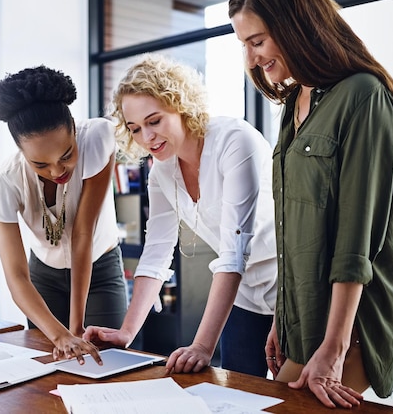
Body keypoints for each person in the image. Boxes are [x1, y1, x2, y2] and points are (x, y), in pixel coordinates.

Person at [229, 0, 393, 408]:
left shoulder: (364, 96)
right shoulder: (294, 104)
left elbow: (356, 241)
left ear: (294, 27)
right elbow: (290, 228)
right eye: (243, 44)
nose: (251, 57)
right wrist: (283, 317)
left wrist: (334, 348)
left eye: (257, 41)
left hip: (352, 326)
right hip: (302, 316)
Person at [83, 53, 278, 378]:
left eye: (154, 121)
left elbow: (234, 252)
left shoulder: (234, 141)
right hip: (244, 298)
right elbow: (156, 252)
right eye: (135, 129)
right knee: (240, 394)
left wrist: (202, 346)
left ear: (182, 104)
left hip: (291, 290)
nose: (146, 138)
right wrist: (126, 333)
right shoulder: (161, 171)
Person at [0, 65, 128, 363]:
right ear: (20, 151)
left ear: (73, 127)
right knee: (53, 366)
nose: (57, 171)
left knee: (109, 364)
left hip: (99, 268)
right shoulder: (3, 183)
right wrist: (60, 335)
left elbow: (82, 233)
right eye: (40, 165)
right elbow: (17, 276)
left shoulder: (96, 139)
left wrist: (75, 328)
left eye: (67, 155)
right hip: (42, 277)